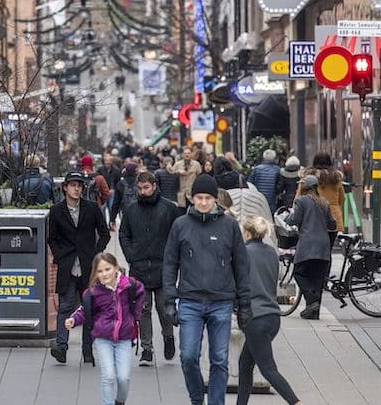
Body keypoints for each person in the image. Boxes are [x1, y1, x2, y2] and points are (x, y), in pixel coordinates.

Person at [161, 173, 251, 405]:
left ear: (215, 199)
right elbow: (170, 263)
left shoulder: (229, 226)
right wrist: (169, 300)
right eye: (199, 197)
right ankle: (196, 397)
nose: (202, 202)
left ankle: (216, 402)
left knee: (219, 359)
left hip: (221, 300)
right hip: (190, 300)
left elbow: (241, 265)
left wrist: (244, 304)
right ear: (192, 198)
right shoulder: (180, 225)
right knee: (188, 356)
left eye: (207, 198)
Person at [236, 215, 302, 405]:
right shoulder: (271, 252)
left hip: (255, 317)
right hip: (273, 316)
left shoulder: (244, 253)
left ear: (247, 233)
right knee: (245, 364)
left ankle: (296, 402)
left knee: (268, 369)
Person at [63, 253, 146, 405]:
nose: (104, 274)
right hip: (103, 338)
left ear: (115, 268)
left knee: (123, 377)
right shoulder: (94, 292)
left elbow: (141, 292)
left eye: (107, 269)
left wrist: (136, 316)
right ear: (95, 273)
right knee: (108, 376)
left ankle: (120, 401)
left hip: (124, 338)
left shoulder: (129, 285)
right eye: (100, 271)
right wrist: (73, 320)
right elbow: (84, 310)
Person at [118, 171, 181, 366]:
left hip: (163, 267)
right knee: (143, 309)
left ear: (154, 186)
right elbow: (123, 234)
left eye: (146, 188)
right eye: (140, 188)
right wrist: (131, 256)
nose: (143, 192)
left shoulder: (169, 209)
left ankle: (168, 336)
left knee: (164, 308)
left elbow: (177, 236)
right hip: (139, 267)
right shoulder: (132, 209)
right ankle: (147, 349)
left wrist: (172, 259)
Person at [48, 170, 111, 364]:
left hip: (88, 267)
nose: (77, 189)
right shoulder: (57, 211)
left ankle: (87, 349)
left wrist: (96, 253)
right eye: (73, 185)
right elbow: (52, 238)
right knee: (65, 307)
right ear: (65, 188)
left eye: (80, 185)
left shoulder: (91, 208)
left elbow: (104, 233)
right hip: (68, 266)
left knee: (89, 308)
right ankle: (61, 346)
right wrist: (60, 256)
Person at [285, 175, 336, 320]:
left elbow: (294, 219)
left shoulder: (302, 201)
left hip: (308, 244)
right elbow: (331, 224)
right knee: (317, 278)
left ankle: (312, 301)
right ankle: (313, 311)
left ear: (305, 187)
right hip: (323, 245)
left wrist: (286, 218)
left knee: (299, 272)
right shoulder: (324, 202)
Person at [305, 153, 346, 238]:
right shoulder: (336, 179)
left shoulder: (308, 179)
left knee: (314, 248)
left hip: (313, 217)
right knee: (328, 248)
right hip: (333, 217)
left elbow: (298, 198)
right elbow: (342, 199)